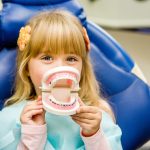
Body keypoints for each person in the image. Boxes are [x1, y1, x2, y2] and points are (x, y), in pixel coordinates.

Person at [0, 10, 122, 150]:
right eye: (47, 58)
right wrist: (32, 136)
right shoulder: (10, 118)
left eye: (71, 59)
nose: (60, 67)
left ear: (82, 68)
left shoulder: (96, 114)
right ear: (27, 67)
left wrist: (94, 136)